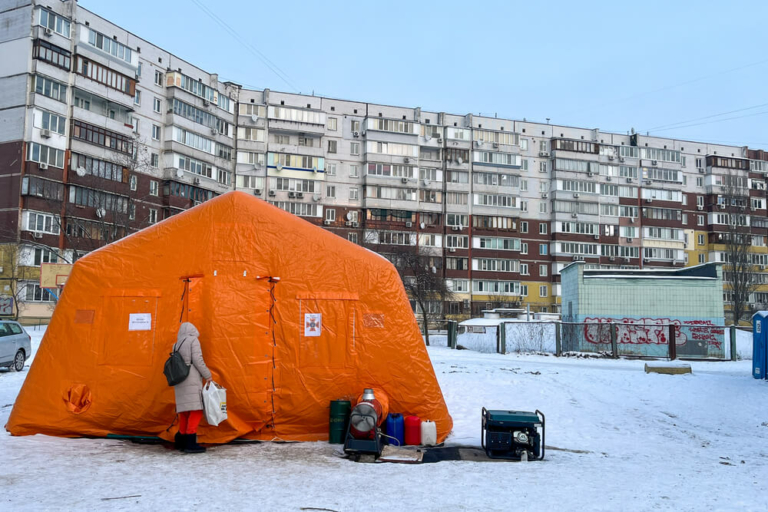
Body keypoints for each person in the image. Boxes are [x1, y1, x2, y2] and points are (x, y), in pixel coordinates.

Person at [173, 322, 212, 454]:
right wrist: (208, 375)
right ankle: (190, 442)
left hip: (179, 380)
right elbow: (197, 359)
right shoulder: (193, 340)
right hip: (191, 379)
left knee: (185, 411)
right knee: (196, 410)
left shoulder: (176, 344)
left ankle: (181, 441)